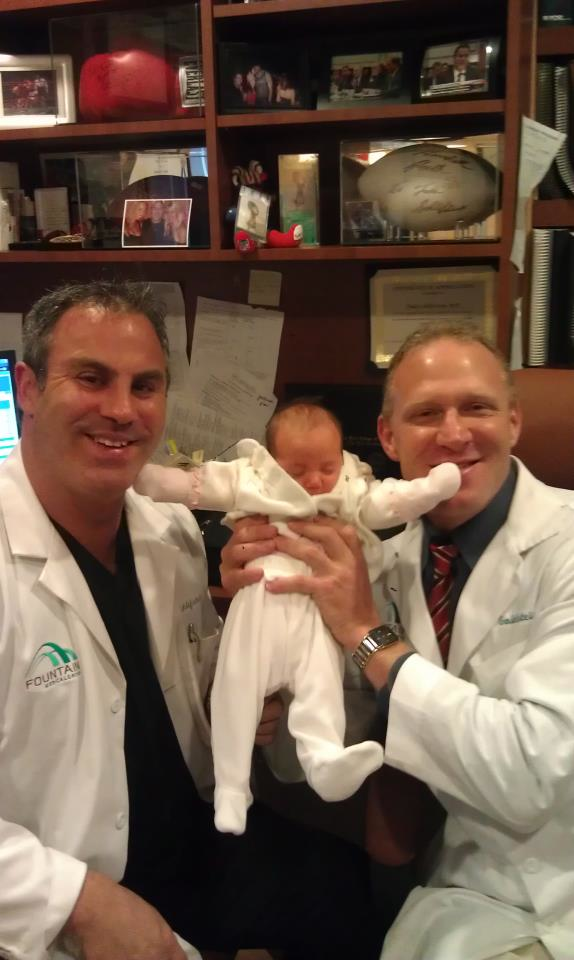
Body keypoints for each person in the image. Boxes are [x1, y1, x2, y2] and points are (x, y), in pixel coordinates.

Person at [1, 280, 387, 960]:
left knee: (356, 893)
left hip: (199, 840)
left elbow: (179, 693)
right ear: (28, 387)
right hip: (67, 887)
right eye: (91, 379)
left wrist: (248, 646)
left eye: (145, 387)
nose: (121, 410)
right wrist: (77, 902)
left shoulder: (172, 533)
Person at [221, 320, 574, 960]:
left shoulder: (567, 546)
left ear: (516, 422)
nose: (454, 433)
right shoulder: (382, 564)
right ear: (387, 437)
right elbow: (307, 761)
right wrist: (269, 669)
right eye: (426, 413)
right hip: (464, 888)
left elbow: (532, 772)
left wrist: (366, 637)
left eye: (478, 407)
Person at [134, 402, 459, 835]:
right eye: (298, 468)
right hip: (259, 602)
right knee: (237, 688)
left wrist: (428, 490)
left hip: (312, 614)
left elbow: (389, 500)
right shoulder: (252, 477)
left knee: (319, 681)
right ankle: (232, 787)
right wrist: (151, 478)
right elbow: (199, 484)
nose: (314, 480)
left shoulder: (349, 490)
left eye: (326, 466)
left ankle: (325, 759)